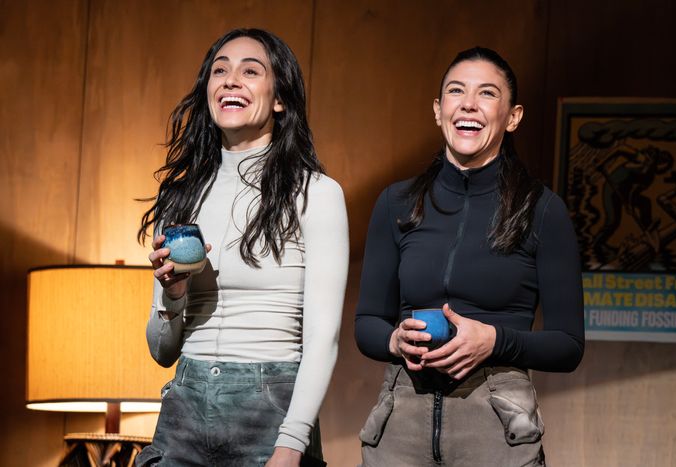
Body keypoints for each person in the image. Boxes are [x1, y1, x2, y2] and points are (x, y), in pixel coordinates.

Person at [354, 47, 584, 466]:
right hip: (400, 423)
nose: (469, 104)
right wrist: (394, 339)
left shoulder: (542, 210)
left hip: (497, 428)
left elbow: (568, 346)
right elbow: (367, 322)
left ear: (512, 116)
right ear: (439, 110)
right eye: (456, 91)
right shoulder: (397, 202)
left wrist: (494, 340)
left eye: (487, 94)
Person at [136, 28, 348, 467]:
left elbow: (323, 339)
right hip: (184, 405)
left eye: (251, 71)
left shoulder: (316, 193)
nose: (231, 80)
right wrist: (173, 297)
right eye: (220, 70)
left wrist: (291, 444)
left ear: (279, 99)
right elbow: (162, 352)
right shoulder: (178, 196)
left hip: (270, 407)